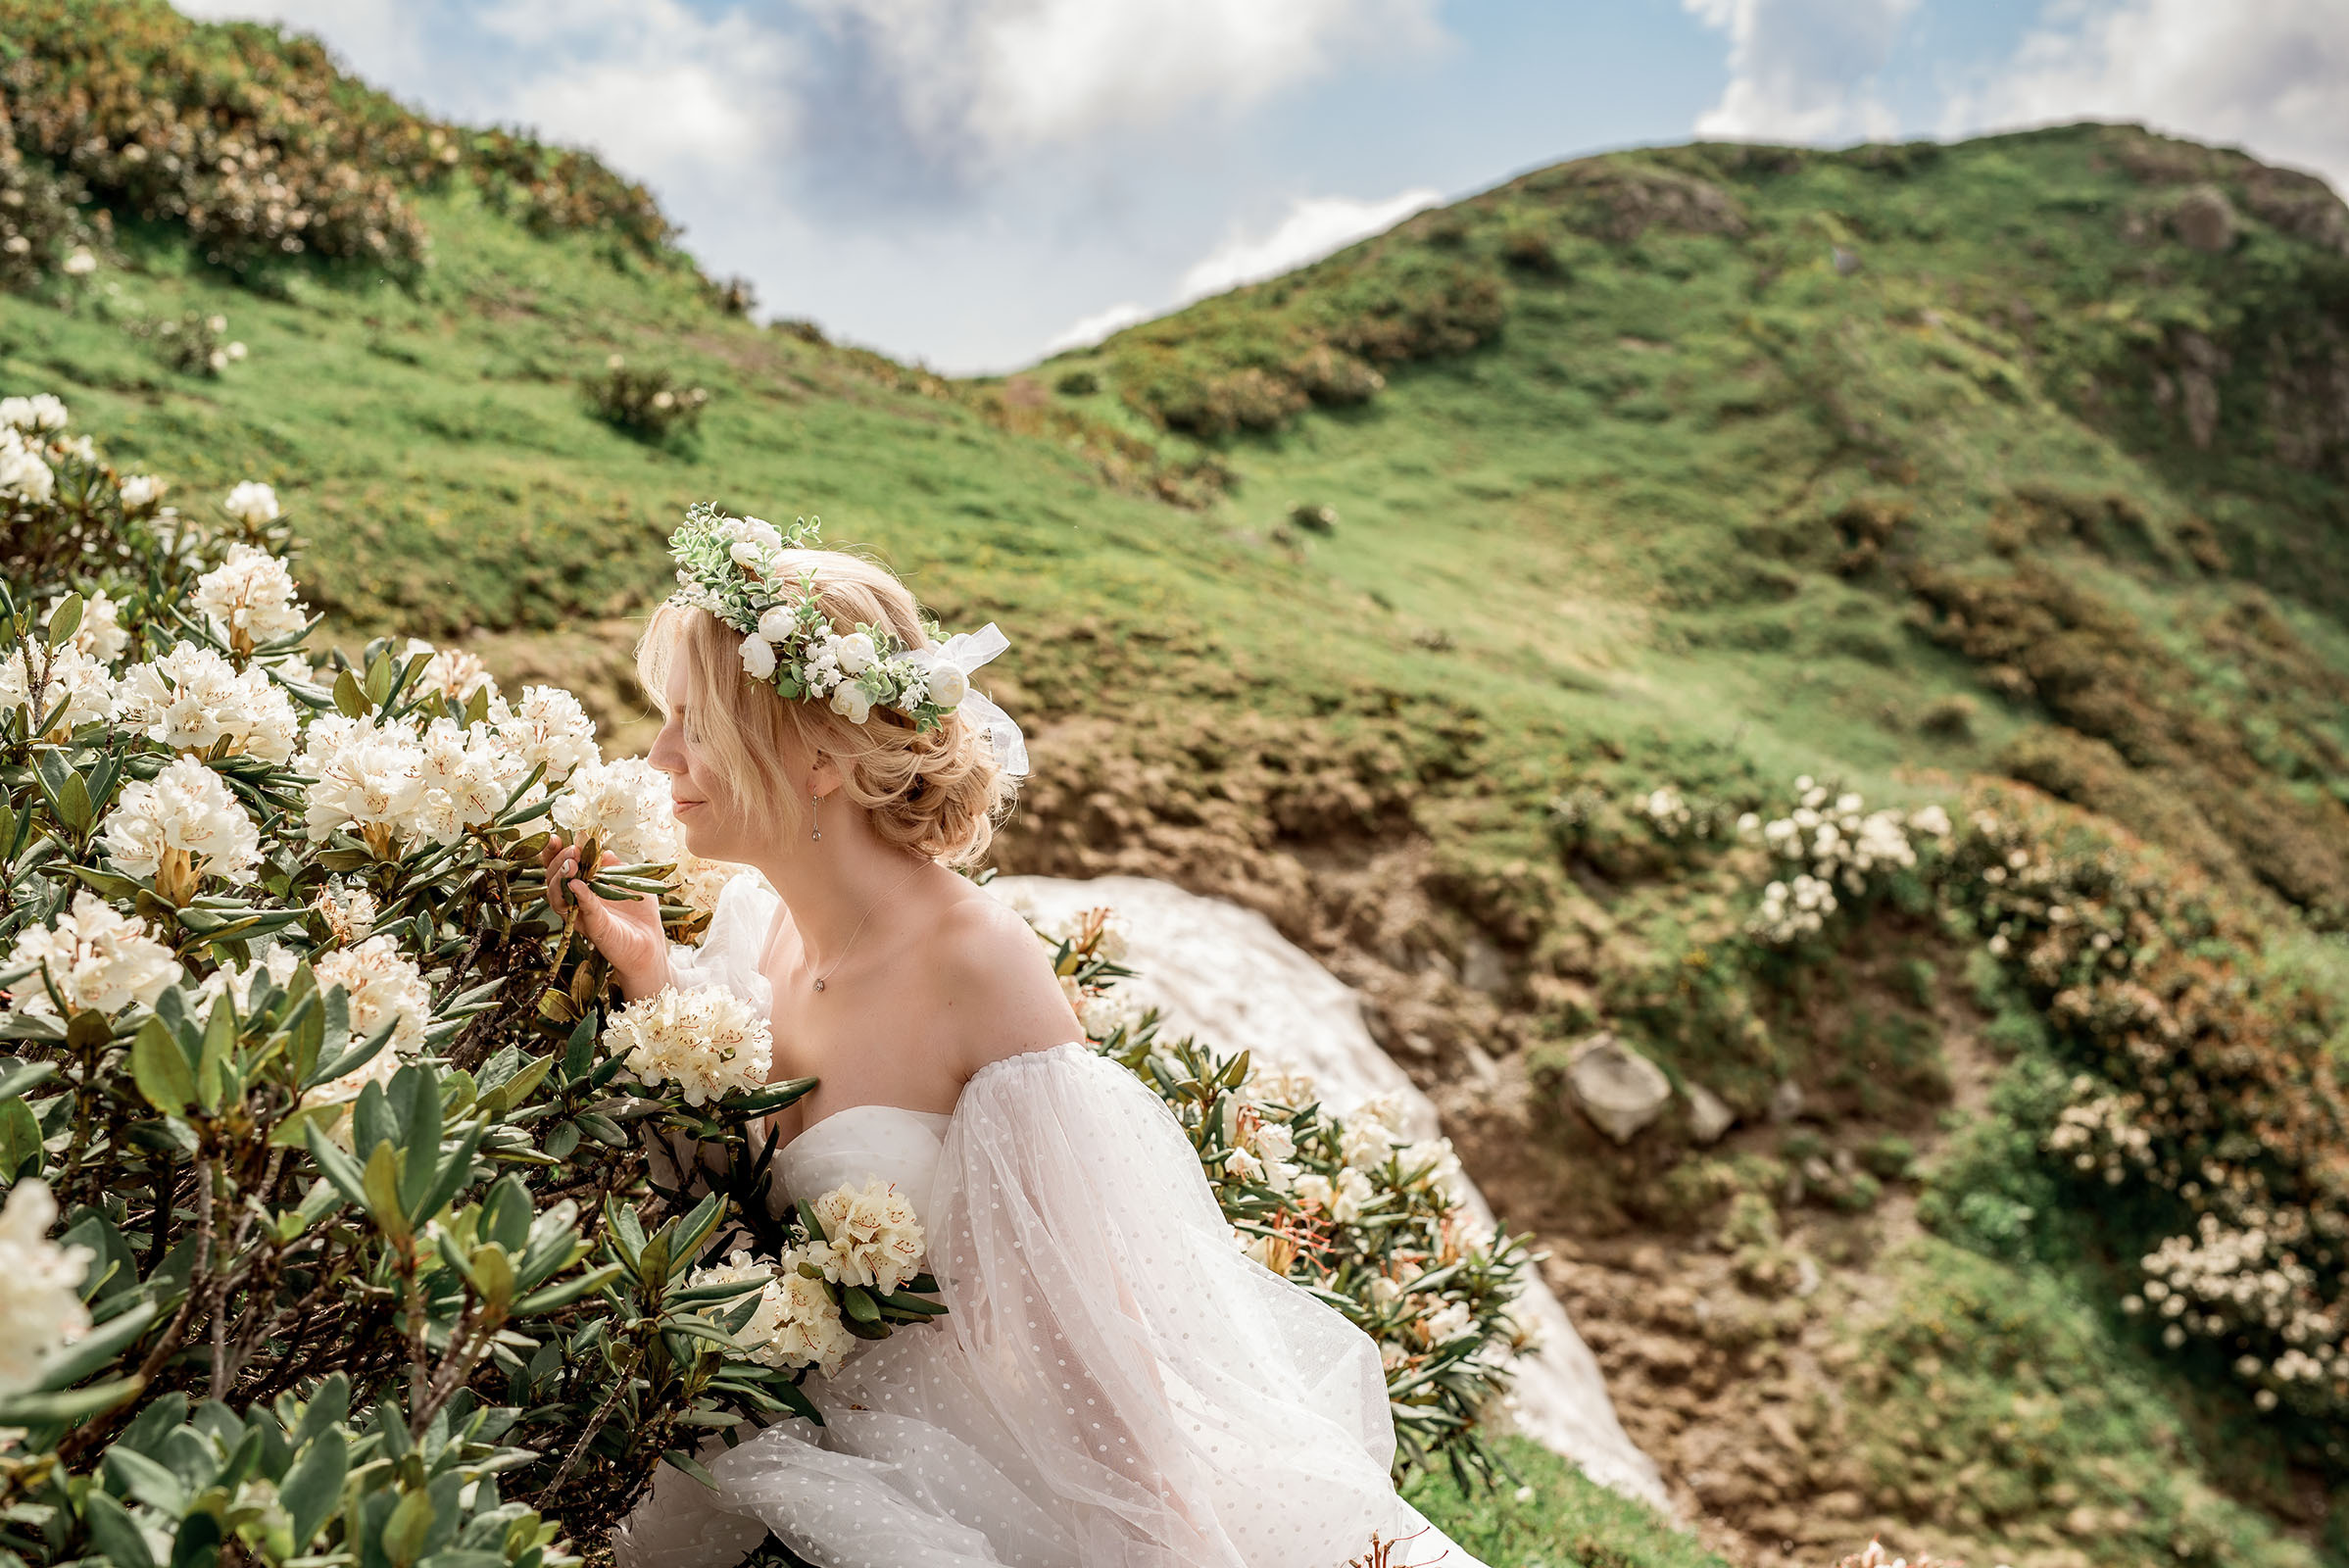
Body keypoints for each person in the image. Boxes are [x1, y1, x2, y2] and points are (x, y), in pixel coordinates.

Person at [547, 510, 1487, 1567]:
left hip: (975, 1456)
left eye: (694, 722)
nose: (660, 754)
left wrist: (1150, 1539)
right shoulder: (753, 926)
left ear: (818, 759)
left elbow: (1095, 1322)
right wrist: (651, 979)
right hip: (802, 1415)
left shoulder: (975, 964)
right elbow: (737, 1150)